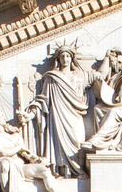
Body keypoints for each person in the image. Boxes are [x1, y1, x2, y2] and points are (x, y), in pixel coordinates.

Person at [31, 42, 95, 177]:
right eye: (62, 56)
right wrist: (31, 113)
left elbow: (98, 75)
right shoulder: (52, 77)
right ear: (58, 59)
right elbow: (43, 99)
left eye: (67, 56)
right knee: (59, 143)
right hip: (58, 114)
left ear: (72, 59)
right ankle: (64, 171)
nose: (65, 59)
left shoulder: (80, 76)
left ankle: (78, 169)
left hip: (75, 113)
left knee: (78, 140)